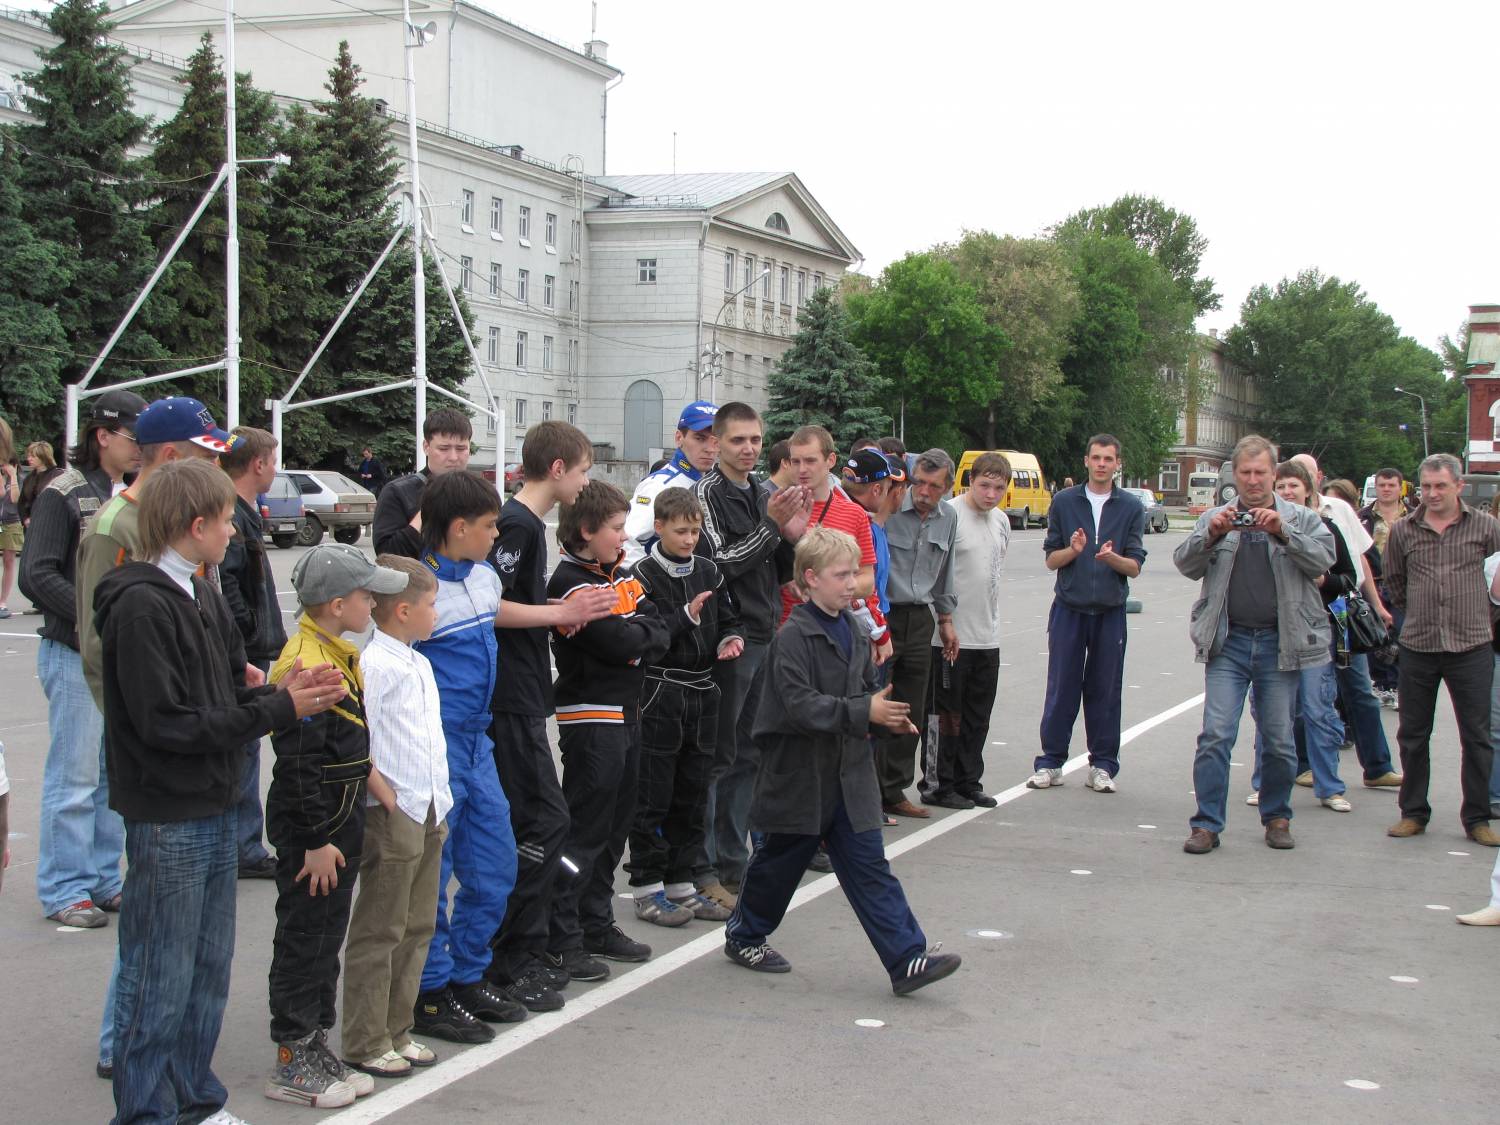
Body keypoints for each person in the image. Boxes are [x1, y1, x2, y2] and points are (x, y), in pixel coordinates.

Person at [94, 458, 343, 1125]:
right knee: (161, 972)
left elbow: (224, 695)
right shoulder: (142, 603)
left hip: (213, 803)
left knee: (207, 968)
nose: (235, 531)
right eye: (228, 520)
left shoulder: (200, 593)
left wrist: (279, 693)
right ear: (195, 524)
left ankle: (195, 1100)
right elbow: (166, 723)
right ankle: (146, 1112)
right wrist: (280, 708)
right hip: (168, 812)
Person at [722, 527, 961, 996]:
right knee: (777, 867)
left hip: (849, 775)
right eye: (841, 575)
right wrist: (864, 711)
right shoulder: (792, 638)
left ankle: (906, 959)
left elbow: (863, 692)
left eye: (854, 573)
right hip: (800, 778)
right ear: (810, 578)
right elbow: (799, 706)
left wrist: (885, 719)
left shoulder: (851, 627)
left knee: (870, 867)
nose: (852, 583)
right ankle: (745, 935)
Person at [73, 395, 234, 1079]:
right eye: (204, 456)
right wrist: (134, 739)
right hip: (157, 751)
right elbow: (99, 643)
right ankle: (126, 1047)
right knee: (157, 940)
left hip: (193, 743)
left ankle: (174, 1077)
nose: (214, 469)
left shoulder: (185, 536)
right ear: (170, 457)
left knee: (188, 945)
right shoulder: (120, 525)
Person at [264, 544, 407, 1108]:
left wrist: (377, 786)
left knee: (326, 938)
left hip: (338, 817)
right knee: (305, 938)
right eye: (367, 595)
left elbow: (348, 743)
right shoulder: (307, 664)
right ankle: (291, 1054)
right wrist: (315, 842)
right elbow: (298, 766)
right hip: (316, 824)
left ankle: (313, 1040)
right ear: (336, 604)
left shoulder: (336, 650)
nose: (374, 604)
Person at [486, 422, 616, 1006]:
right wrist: (558, 612)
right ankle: (514, 955)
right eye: (583, 470)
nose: (586, 482)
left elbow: (518, 601)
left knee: (542, 822)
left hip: (523, 689)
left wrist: (560, 609)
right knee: (542, 822)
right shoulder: (515, 523)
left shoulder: (527, 525)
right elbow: (487, 604)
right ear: (558, 469)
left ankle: (526, 948)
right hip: (507, 694)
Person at [19, 388, 145, 928]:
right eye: (134, 437)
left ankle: (103, 880)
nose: (141, 448)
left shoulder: (129, 494)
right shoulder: (63, 491)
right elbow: (35, 574)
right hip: (73, 653)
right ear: (103, 436)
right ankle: (65, 887)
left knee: (109, 775)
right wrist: (97, 614)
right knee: (73, 778)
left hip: (113, 656)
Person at [1174, 435, 1335, 855]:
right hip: (1228, 641)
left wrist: (1282, 531)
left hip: (1281, 643)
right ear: (1235, 474)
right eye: (1244, 472)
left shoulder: (1301, 517)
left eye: (1260, 472)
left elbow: (1323, 562)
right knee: (1215, 734)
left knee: (1278, 739)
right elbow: (1185, 564)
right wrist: (1211, 535)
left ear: (1274, 473)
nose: (1252, 480)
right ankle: (1206, 824)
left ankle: (1277, 816)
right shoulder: (1218, 515)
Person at [411, 471, 521, 1043]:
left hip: (479, 742)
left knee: (496, 864)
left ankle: (467, 975)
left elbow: (507, 616)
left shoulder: (484, 578)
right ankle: (429, 993)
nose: (496, 535)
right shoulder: (415, 593)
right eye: (489, 526)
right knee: (435, 871)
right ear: (458, 528)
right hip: (436, 746)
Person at [547, 481, 671, 964]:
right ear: (586, 530)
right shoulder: (569, 582)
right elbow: (619, 644)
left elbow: (657, 627)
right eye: (616, 528)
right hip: (591, 718)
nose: (624, 537)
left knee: (615, 829)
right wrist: (637, 637)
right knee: (585, 831)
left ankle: (596, 923)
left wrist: (637, 636)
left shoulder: (618, 573)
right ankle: (563, 933)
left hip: (627, 713)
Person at [340, 555, 449, 1079]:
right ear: (403, 611)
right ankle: (365, 1038)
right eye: (431, 605)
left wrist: (437, 799)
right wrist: (387, 798)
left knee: (417, 923)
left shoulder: (417, 661)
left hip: (429, 806)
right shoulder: (376, 665)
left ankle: (397, 1029)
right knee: (381, 927)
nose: (436, 613)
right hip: (396, 810)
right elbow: (362, 740)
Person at [693, 402, 807, 900]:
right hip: (728, 638)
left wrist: (792, 537)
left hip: (766, 631)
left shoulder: (764, 492)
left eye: (756, 439)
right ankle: (703, 867)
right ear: (716, 442)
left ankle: (735, 862)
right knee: (718, 755)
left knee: (750, 752)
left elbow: (776, 567)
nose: (748, 449)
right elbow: (717, 564)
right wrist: (771, 527)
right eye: (738, 439)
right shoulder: (705, 493)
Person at [627, 488, 744, 926]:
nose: (689, 539)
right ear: (658, 527)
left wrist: (731, 638)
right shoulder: (641, 575)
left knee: (693, 793)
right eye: (680, 531)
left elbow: (729, 618)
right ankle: (646, 887)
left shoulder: (710, 570)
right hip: (660, 691)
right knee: (654, 793)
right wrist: (686, 617)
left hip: (704, 690)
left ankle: (681, 883)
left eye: (695, 531)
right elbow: (646, 634)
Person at [1383, 453, 1500, 846]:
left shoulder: (1486, 527)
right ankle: (1413, 812)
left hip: (1471, 645)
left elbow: (1496, 578)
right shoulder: (1404, 530)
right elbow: (1394, 582)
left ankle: (1477, 818)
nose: (1432, 494)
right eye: (1426, 486)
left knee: (1477, 736)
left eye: (1441, 486)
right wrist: (1419, 613)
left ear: (1459, 487)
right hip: (1419, 645)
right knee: (1413, 734)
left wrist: (1481, 616)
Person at [1030, 435, 1146, 794]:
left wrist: (1111, 559)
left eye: (1108, 459)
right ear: (1086, 461)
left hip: (1110, 611)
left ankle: (1103, 765)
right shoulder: (1065, 502)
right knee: (1061, 686)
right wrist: (1074, 551)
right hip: (1069, 608)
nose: (1101, 464)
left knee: (1105, 690)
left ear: (1117, 464)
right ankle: (1051, 762)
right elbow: (1052, 560)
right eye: (1096, 458)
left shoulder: (1130, 506)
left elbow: (1134, 566)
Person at [1245, 461, 1357, 812]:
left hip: (1311, 632)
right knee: (1272, 714)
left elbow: (1347, 579)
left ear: (1309, 490)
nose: (1288, 491)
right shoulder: (1256, 526)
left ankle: (1329, 786)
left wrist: (1323, 580)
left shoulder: (1324, 527)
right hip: (1271, 632)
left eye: (1294, 485)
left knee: (1318, 708)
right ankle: (1265, 784)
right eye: (1282, 486)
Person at [218, 426, 288, 878]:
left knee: (246, 748)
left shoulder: (243, 511)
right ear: (258, 464)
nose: (275, 469)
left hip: (250, 645)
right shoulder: (234, 513)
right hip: (245, 650)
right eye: (273, 460)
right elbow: (226, 581)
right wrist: (246, 630)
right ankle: (241, 847)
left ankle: (241, 843)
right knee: (243, 748)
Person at [923, 452, 1011, 809]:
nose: (991, 494)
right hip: (948, 637)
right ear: (969, 481)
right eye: (984, 485)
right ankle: (938, 783)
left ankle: (968, 780)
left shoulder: (1001, 521)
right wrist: (944, 622)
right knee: (945, 717)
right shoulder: (950, 515)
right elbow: (933, 573)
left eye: (999, 488)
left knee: (977, 718)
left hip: (987, 635)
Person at [877, 447, 958, 819]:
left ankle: (893, 790)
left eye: (934, 486)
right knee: (878, 702)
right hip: (886, 615)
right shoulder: (892, 507)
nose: (924, 492)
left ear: (947, 487)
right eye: (920, 482)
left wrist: (946, 619)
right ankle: (868, 794)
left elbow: (945, 569)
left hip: (920, 619)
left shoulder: (948, 517)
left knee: (910, 707)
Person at [624, 400, 718, 565]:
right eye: (700, 438)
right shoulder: (658, 485)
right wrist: (653, 579)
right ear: (679, 438)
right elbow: (627, 543)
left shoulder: (715, 484)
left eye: (716, 440)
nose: (710, 449)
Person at [372, 409, 473, 558]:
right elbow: (386, 555)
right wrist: (427, 511)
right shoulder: (397, 492)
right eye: (443, 448)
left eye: (461, 448)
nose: (453, 457)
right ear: (426, 447)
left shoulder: (477, 493)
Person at [1360, 467, 1413, 705]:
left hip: (1403, 583)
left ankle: (1399, 684)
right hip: (1374, 582)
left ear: (1400, 488)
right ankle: (1383, 684)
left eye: (1391, 485)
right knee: (1375, 634)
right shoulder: (1363, 517)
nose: (1386, 489)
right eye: (1382, 485)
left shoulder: (1412, 516)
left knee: (1401, 633)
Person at [18, 440, 63, 527]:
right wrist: (25, 518)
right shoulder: (29, 478)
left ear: (43, 457)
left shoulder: (57, 475)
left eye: (33, 456)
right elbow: (22, 502)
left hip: (51, 524)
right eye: (28, 456)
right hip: (30, 525)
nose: (29, 459)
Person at [0, 417, 19, 619]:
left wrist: (12, 476)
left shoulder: (11, 463)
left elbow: (13, 498)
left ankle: (2, 602)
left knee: (9, 561)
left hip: (10, 519)